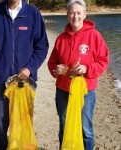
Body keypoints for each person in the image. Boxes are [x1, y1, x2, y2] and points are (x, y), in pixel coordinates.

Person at [0, 0, 49, 149]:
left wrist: (29, 68)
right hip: (2, 78)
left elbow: (42, 46)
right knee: (1, 120)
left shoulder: (33, 13)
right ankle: (1, 147)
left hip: (25, 80)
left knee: (23, 119)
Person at [47, 0, 109, 149]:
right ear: (67, 15)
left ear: (85, 14)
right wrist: (57, 69)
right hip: (63, 90)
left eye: (79, 12)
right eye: (72, 12)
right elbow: (51, 63)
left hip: (85, 90)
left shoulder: (94, 35)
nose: (75, 16)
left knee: (85, 128)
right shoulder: (61, 38)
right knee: (64, 125)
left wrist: (87, 68)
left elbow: (103, 61)